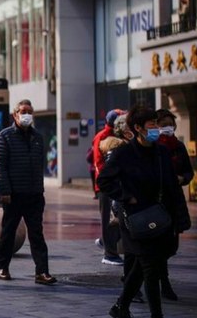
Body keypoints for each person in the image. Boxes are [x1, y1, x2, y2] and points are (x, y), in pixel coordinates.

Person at [97, 104, 191, 318]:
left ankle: (120, 307)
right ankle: (156, 315)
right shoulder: (124, 153)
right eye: (152, 125)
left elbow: (171, 187)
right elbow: (104, 180)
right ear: (138, 128)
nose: (156, 129)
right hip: (135, 219)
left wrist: (180, 219)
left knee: (142, 265)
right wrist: (126, 196)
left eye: (157, 124)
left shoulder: (162, 153)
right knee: (150, 269)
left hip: (161, 218)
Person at [0, 99, 57, 285]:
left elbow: (40, 166)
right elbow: (0, 166)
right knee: (8, 233)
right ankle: (2, 267)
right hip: (13, 195)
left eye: (29, 111)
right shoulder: (4, 136)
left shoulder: (38, 137)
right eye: (23, 111)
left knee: (37, 234)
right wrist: (5, 191)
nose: (26, 114)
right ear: (15, 115)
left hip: (34, 195)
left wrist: (40, 190)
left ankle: (42, 272)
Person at [155, 109, 194, 301]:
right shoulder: (151, 145)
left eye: (169, 124)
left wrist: (182, 178)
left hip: (174, 202)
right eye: (162, 124)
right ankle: (163, 283)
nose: (166, 128)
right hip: (155, 203)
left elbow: (188, 172)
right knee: (159, 246)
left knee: (171, 247)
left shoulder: (178, 146)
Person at [93, 109, 127, 265]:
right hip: (106, 187)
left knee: (121, 218)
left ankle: (104, 241)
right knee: (108, 219)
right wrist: (108, 183)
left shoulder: (121, 136)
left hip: (119, 185)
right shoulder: (102, 137)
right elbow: (98, 164)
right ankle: (109, 253)